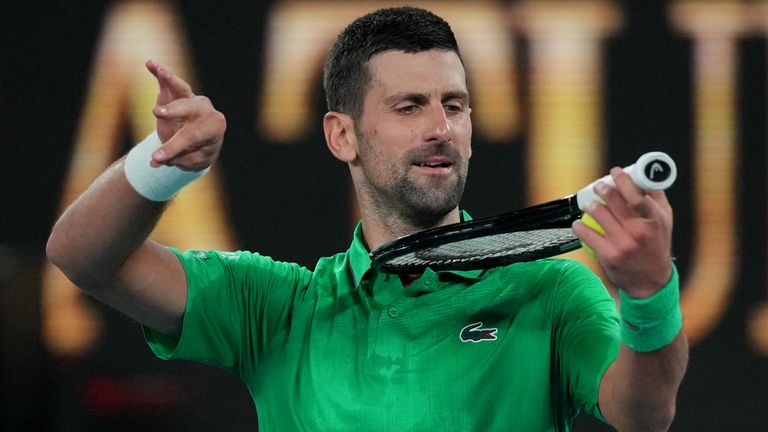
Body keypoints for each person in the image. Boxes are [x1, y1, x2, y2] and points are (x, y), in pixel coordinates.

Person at [47, 6, 688, 431]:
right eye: (409, 106)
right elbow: (81, 255)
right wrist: (164, 166)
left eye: (455, 106)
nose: (442, 129)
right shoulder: (276, 308)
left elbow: (645, 414)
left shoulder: (548, 290)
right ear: (342, 135)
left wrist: (649, 295)